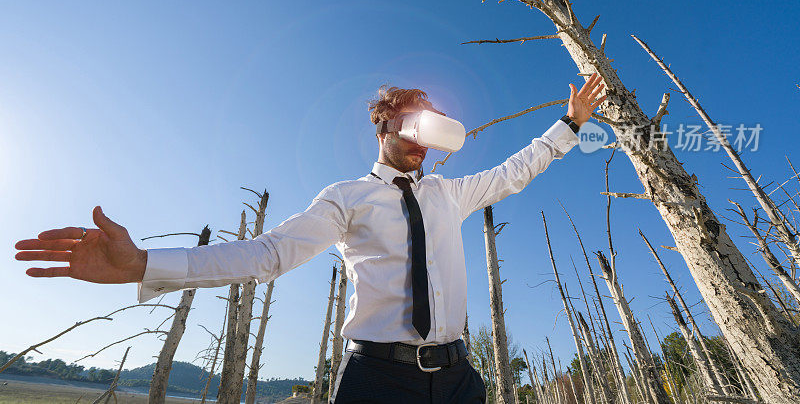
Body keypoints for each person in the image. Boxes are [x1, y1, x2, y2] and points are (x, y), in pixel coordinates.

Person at [15, 73, 607, 403]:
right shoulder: (347, 198)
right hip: (379, 382)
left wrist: (571, 123)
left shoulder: (449, 195)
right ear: (383, 126)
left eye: (433, 126)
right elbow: (269, 254)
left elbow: (515, 170)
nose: (423, 138)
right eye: (412, 123)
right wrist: (146, 263)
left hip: (458, 380)